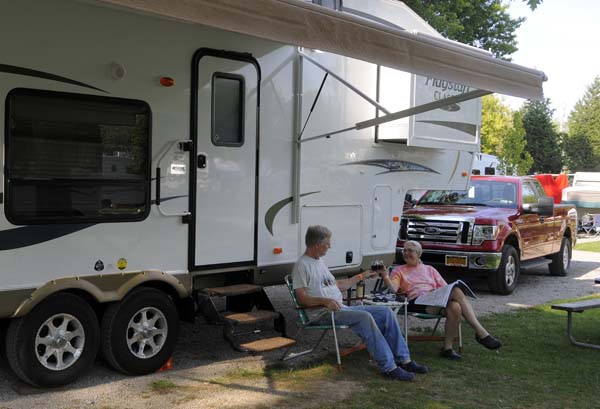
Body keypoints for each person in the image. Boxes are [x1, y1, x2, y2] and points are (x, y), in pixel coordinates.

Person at [293, 225, 428, 381]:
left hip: (340, 308)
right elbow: (301, 297)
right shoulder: (302, 265)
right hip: (322, 313)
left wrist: (362, 276)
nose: (330, 246)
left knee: (386, 312)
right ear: (317, 244)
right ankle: (389, 368)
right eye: (327, 243)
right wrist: (324, 301)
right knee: (364, 317)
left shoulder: (319, 261)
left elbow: (337, 285)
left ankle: (404, 360)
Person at [380, 240, 501, 360]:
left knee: (455, 306)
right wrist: (385, 276)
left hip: (434, 301)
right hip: (416, 302)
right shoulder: (399, 270)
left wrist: (435, 293)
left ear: (418, 254)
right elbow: (394, 289)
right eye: (404, 250)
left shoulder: (430, 269)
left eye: (410, 250)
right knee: (456, 291)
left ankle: (447, 349)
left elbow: (444, 288)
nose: (406, 253)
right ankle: (481, 332)